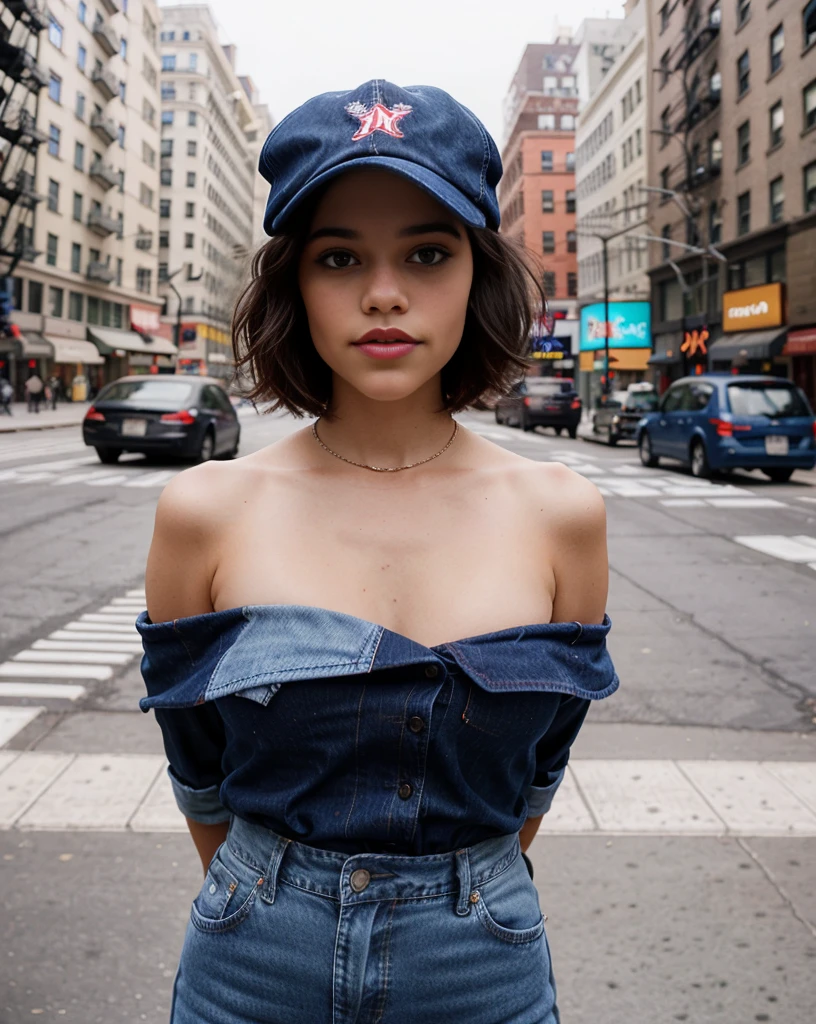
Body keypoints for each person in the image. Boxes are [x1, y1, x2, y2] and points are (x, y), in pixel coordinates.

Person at [138, 80, 618, 1024]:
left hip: (483, 964)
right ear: (296, 284)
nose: (385, 294)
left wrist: (462, 882)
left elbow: (541, 766)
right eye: (340, 256)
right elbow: (198, 770)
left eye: (428, 253)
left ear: (476, 274)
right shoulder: (205, 509)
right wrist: (278, 896)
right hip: (250, 962)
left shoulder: (562, 513)